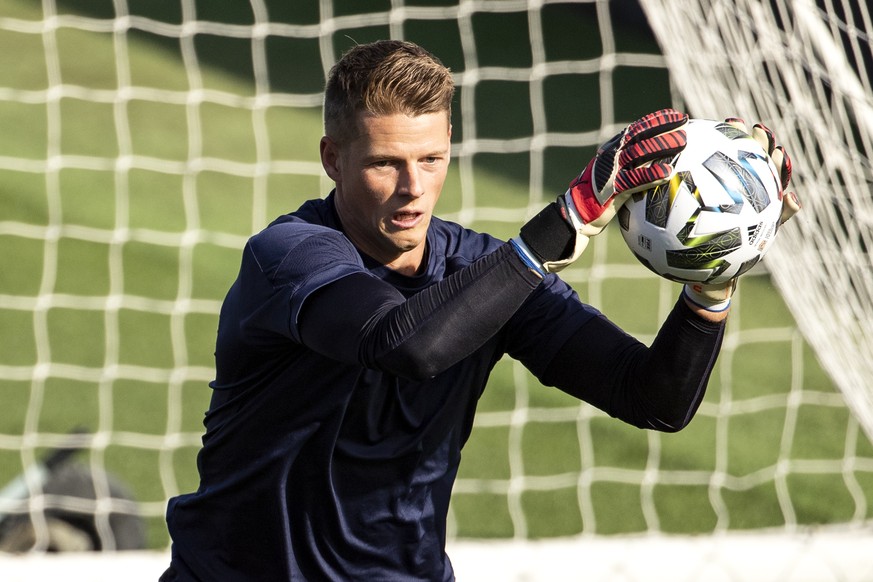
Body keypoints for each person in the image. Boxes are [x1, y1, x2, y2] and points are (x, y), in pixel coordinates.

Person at [161, 39, 799, 581]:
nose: (414, 188)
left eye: (431, 159)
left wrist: (714, 279)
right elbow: (409, 345)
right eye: (386, 163)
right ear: (333, 159)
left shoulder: (484, 271)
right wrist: (570, 217)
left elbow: (653, 398)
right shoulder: (291, 256)